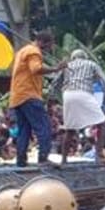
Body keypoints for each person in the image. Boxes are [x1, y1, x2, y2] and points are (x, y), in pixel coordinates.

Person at [9, 30, 65, 166]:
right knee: (44, 127)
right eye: (49, 45)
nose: (49, 49)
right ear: (42, 42)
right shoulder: (34, 52)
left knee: (24, 130)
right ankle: (43, 158)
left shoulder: (23, 51)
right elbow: (35, 69)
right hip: (29, 95)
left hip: (17, 96)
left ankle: (21, 161)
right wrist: (56, 68)